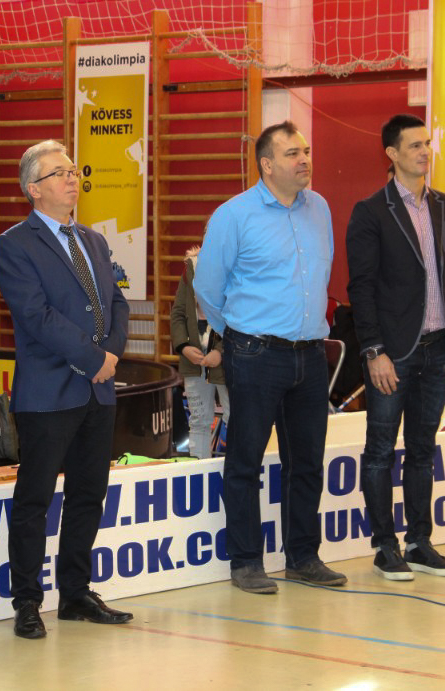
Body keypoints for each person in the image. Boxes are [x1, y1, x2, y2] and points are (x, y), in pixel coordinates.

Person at [194, 120, 345, 594]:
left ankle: (303, 556)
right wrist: (237, 336)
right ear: (266, 165)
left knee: (308, 462)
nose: (304, 160)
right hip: (255, 354)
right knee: (245, 461)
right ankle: (246, 562)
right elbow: (208, 288)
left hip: (310, 355)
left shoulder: (319, 208)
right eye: (293, 154)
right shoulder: (234, 215)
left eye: (306, 151)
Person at [0, 139, 131, 639]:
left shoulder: (93, 240)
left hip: (97, 391)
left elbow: (116, 303)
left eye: (73, 171)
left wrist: (109, 356)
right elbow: (36, 315)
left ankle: (75, 593)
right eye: (60, 173)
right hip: (49, 393)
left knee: (88, 495)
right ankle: (27, 601)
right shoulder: (15, 244)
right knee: (34, 500)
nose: (73, 179)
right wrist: (94, 359)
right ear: (34, 188)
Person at [345, 113, 445, 581]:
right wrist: (373, 350)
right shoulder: (370, 211)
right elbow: (361, 287)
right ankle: (385, 546)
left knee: (423, 449)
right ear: (392, 153)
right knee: (380, 450)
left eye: (426, 144)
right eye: (415, 145)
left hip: (439, 348)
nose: (424, 152)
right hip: (392, 352)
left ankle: (420, 541)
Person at [170, 246, 230, 459]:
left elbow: (240, 314)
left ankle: (234, 472)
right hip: (194, 356)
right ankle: (199, 471)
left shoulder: (234, 265)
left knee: (234, 417)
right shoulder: (192, 267)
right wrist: (183, 346)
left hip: (228, 353)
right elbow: (178, 312)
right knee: (198, 420)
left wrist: (220, 351)